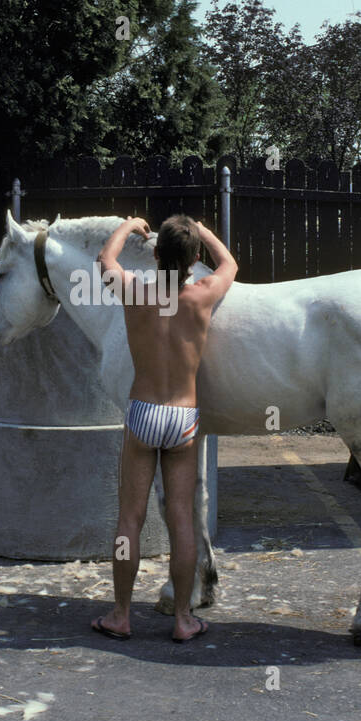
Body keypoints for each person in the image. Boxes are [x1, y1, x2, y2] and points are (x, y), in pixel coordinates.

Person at [90, 214, 237, 643]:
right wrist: (204, 232)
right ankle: (183, 620)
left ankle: (121, 615)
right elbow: (229, 265)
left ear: (155, 255)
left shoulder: (135, 292)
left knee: (129, 521)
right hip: (183, 418)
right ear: (194, 259)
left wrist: (130, 224)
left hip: (143, 413)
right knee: (182, 523)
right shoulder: (202, 294)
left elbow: (104, 259)